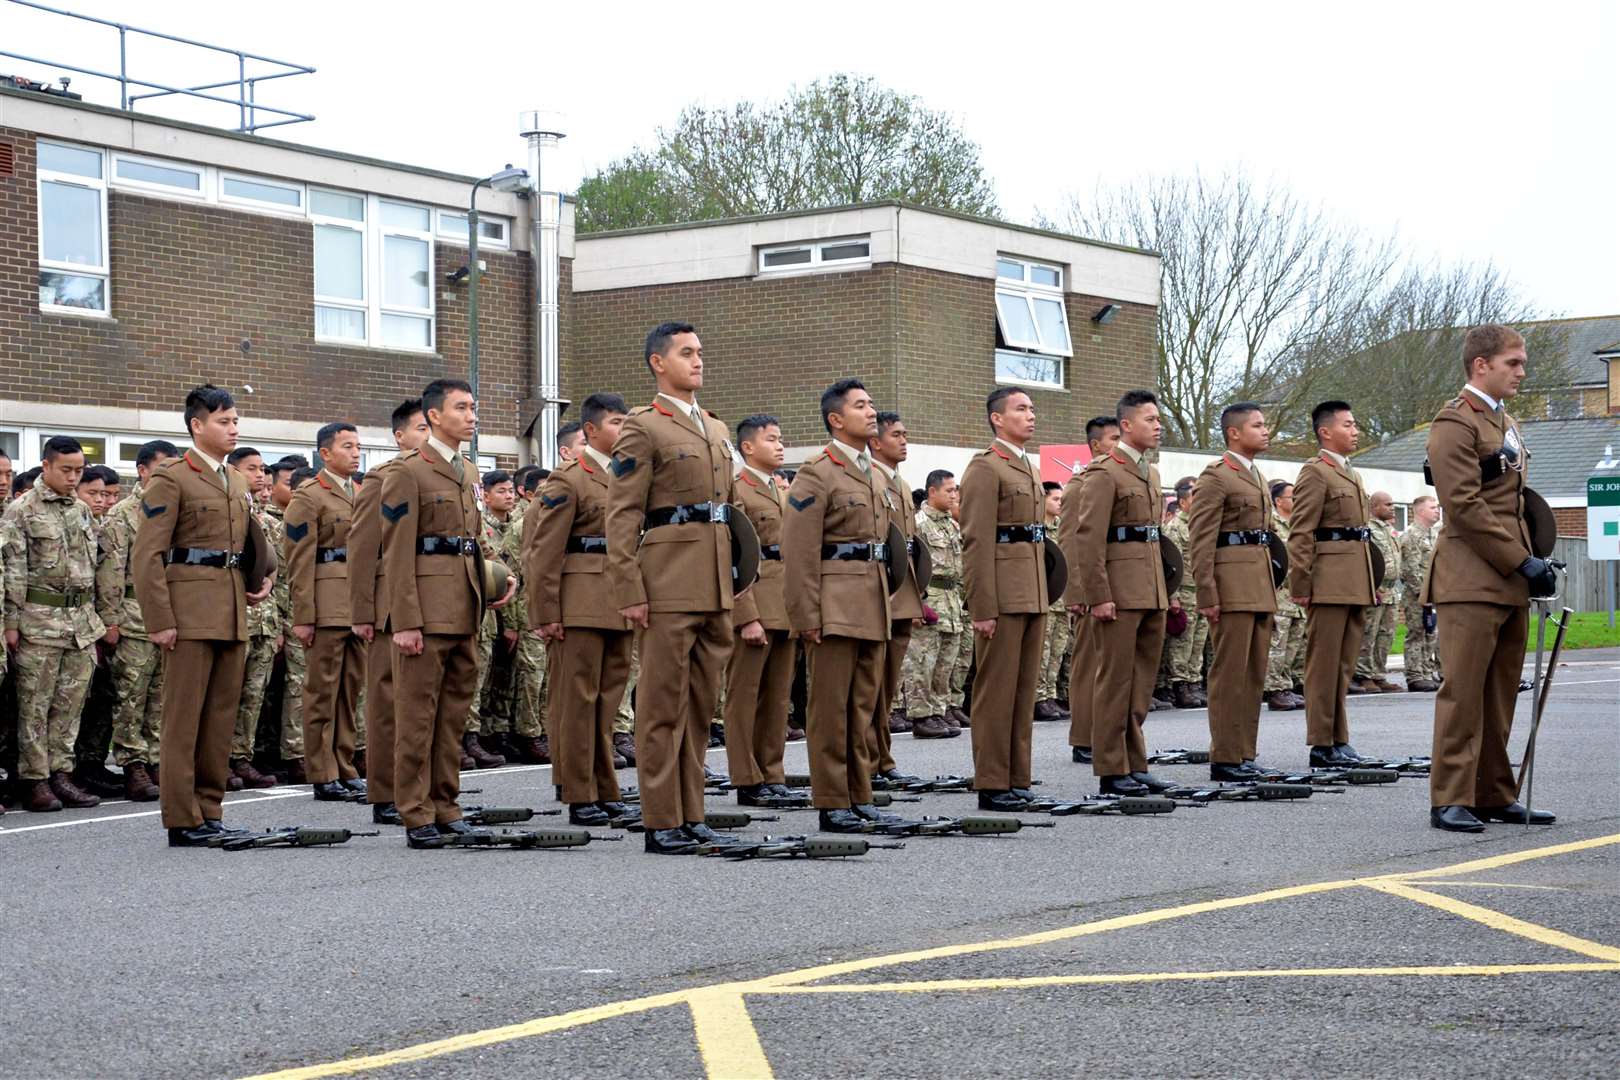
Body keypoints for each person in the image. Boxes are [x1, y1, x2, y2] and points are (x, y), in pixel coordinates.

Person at [605, 322, 742, 855]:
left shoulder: (714, 427)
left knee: (700, 706)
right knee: (662, 705)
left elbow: (731, 517)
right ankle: (662, 819)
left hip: (713, 583)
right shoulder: (644, 426)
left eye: (701, 352)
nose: (698, 361)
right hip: (666, 580)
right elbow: (622, 514)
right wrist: (629, 587)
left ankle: (692, 811)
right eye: (687, 353)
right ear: (658, 363)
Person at [1425, 324, 1555, 832]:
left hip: (1508, 577)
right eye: (1513, 363)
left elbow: (1517, 501)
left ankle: (1493, 792)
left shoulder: (1507, 422)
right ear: (1482, 365)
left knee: (1500, 693)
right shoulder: (1455, 422)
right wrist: (1518, 559)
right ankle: (1450, 798)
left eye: (1522, 363)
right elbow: (1462, 505)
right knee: (1463, 692)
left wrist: (1537, 557)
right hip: (1469, 577)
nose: (1522, 372)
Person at [132, 387, 275, 844]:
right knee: (184, 719)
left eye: (235, 421)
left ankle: (209, 810)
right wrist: (160, 620)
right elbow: (147, 555)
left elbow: (250, 541)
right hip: (189, 611)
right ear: (197, 425)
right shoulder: (173, 477)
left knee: (219, 718)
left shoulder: (234, 480)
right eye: (223, 421)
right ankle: (181, 817)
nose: (233, 428)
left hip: (231, 608)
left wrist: (261, 578)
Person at [381, 379, 515, 848]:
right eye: (462, 408)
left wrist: (494, 578)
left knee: (453, 717)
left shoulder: (469, 470)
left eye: (473, 407)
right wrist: (406, 621)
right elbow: (397, 553)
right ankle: (416, 813)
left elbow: (469, 543)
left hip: (464, 606)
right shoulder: (409, 471)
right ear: (434, 416)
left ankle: (446, 805)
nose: (472, 415)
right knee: (417, 718)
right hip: (426, 612)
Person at [782, 379, 899, 832]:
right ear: (836, 419)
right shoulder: (818, 471)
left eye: (871, 404)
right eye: (860, 406)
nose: (872, 412)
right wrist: (806, 615)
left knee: (863, 707)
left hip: (870, 601)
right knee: (830, 708)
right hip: (833, 603)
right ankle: (832, 801)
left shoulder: (872, 470)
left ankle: (858, 793)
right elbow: (799, 551)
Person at [527, 392, 636, 825]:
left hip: (617, 601)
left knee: (608, 702)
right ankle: (578, 791)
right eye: (615, 423)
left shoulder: (626, 477)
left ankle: (604, 785)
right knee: (577, 702)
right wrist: (546, 613)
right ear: (591, 430)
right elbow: (543, 551)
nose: (623, 430)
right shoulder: (569, 478)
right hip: (579, 602)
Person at [1072, 390, 1171, 796]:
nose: (1158, 425)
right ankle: (1112, 768)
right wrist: (1098, 594)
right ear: (1126, 425)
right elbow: (1088, 538)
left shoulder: (1149, 472)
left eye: (1158, 418)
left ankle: (1135, 761)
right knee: (1114, 681)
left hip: (1150, 588)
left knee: (1140, 682)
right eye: (1150, 419)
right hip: (1119, 591)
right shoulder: (1104, 472)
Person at [2, 436, 108, 811]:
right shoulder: (21, 510)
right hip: (38, 621)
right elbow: (14, 570)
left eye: (78, 470)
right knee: (35, 706)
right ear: (45, 466)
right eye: (66, 470)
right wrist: (12, 623)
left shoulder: (81, 510)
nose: (73, 477)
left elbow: (94, 567)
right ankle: (35, 779)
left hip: (79, 623)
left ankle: (62, 774)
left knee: (69, 705)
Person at [960, 386, 1049, 811]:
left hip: (1031, 592)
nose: (1031, 415)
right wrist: (983, 606)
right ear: (997, 418)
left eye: (1031, 408)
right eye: (1021, 409)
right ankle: (993, 782)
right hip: (1002, 595)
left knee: (1021, 691)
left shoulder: (1026, 466)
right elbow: (976, 541)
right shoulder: (986, 467)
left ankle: (1017, 776)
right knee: (996, 692)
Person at [349, 398, 429, 826]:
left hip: (433, 601)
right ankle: (384, 792)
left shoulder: (449, 473)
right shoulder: (383, 478)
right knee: (386, 702)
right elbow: (362, 548)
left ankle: (424, 790)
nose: (426, 435)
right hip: (388, 607)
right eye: (419, 428)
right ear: (399, 436)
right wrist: (362, 611)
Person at [1187, 403, 1278, 780]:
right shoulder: (1217, 476)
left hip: (1258, 583)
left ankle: (1244, 753)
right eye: (1257, 425)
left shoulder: (1255, 475)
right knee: (1229, 674)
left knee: (1254, 674)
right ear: (1234, 433)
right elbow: (1201, 539)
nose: (1265, 430)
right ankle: (1224, 756)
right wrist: (1207, 592)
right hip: (1230, 586)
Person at [1287, 400, 1376, 768]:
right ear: (1326, 432)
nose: (1355, 431)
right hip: (1328, 581)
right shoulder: (1315, 472)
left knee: (1342, 665)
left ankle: (1340, 738)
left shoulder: (1351, 473)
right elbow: (1301, 532)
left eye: (1355, 425)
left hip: (1354, 578)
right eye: (1348, 425)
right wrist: (1302, 585)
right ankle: (1322, 743)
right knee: (1323, 665)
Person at [287, 423, 367, 800]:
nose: (355, 453)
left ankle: (345, 764)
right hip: (326, 604)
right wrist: (304, 615)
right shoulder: (309, 495)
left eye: (358, 447)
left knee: (349, 692)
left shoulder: (361, 492)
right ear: (325, 454)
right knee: (322, 692)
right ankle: (322, 771)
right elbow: (299, 560)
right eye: (347, 446)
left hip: (357, 604)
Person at [95, 439, 178, 801]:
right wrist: (110, 621)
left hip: (170, 615)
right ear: (143, 471)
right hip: (131, 617)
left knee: (162, 696)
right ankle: (133, 764)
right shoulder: (124, 514)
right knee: (131, 697)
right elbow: (111, 573)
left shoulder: (176, 509)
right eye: (163, 469)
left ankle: (158, 759)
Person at [722, 414, 798, 804]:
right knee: (744, 695)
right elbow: (735, 554)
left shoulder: (783, 491)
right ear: (748, 447)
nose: (780, 445)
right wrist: (745, 613)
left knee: (777, 697)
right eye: (771, 439)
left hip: (784, 604)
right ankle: (746, 777)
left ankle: (773, 773)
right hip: (754, 601)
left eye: (781, 439)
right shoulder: (737, 489)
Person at [865, 411, 924, 784]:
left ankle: (882, 758)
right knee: (870, 685)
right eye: (896, 435)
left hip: (901, 592)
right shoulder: (869, 478)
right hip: (878, 591)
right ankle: (870, 761)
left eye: (905, 434)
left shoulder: (900, 484)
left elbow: (910, 547)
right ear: (876, 441)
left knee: (886, 688)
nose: (904, 441)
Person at [1060, 415, 1121, 764]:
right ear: (1096, 445)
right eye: (1114, 438)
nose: (1119, 444)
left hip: (1113, 585)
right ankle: (1083, 736)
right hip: (1089, 591)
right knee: (1088, 665)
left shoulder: (1115, 478)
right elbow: (1070, 541)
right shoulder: (1082, 483)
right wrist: (1078, 593)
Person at [225, 446, 278, 790]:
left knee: (252, 696)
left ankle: (241, 757)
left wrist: (269, 581)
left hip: (265, 618)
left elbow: (278, 570)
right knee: (226, 694)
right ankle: (220, 759)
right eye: (251, 468)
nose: (259, 475)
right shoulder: (230, 513)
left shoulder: (267, 519)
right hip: (234, 613)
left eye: (262, 469)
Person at [901, 470, 965, 739]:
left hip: (951, 599)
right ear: (932, 492)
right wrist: (913, 604)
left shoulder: (951, 524)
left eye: (954, 490)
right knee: (922, 661)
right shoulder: (919, 524)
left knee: (945, 662)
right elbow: (909, 566)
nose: (954, 495)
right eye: (948, 490)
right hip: (930, 598)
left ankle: (938, 712)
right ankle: (920, 715)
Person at [500, 465, 550, 765]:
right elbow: (512, 580)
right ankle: (529, 735)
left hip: (547, 613)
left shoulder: (554, 525)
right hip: (527, 613)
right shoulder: (521, 529)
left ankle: (544, 731)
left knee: (548, 681)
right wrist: (514, 623)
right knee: (531, 679)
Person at [264, 459, 307, 781]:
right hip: (280, 614)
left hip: (303, 611)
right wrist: (278, 621)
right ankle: (291, 753)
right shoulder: (270, 522)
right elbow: (276, 578)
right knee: (292, 688)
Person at [1351, 491, 1404, 694]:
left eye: (1393, 504)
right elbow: (1366, 560)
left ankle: (1378, 674)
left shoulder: (1389, 530)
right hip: (1377, 588)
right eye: (1387, 504)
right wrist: (1370, 586)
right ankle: (1363, 675)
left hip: (1391, 589)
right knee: (1368, 634)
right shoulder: (1369, 529)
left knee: (1386, 635)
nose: (1392, 507)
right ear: (1374, 507)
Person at [1162, 477, 1207, 709]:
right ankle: (1179, 685)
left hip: (1202, 591)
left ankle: (1193, 681)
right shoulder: (1175, 527)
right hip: (1185, 591)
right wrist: (1173, 596)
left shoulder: (1202, 525)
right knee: (1183, 641)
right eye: (1195, 497)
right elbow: (1171, 565)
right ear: (1182, 502)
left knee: (1198, 641)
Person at [1263, 481, 1307, 711]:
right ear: (1279, 501)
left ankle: (1286, 684)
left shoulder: (1298, 524)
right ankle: (1273, 690)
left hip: (1296, 594)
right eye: (1292, 498)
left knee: (1294, 644)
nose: (1297, 502)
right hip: (1280, 592)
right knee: (1277, 644)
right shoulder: (1273, 526)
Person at [1398, 496, 1444, 692]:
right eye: (1432, 507)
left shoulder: (1433, 534)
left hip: (1434, 592)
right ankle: (1415, 675)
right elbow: (1409, 570)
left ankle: (1427, 671)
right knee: (1417, 632)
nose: (1437, 510)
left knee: (1431, 632)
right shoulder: (1411, 536)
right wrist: (1424, 595)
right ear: (1420, 511)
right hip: (1417, 594)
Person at [1035, 480, 1070, 723]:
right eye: (1055, 499)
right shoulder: (1037, 529)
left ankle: (1050, 695)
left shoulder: (1062, 528)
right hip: (1044, 598)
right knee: (1042, 651)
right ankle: (1038, 699)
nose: (1060, 504)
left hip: (1061, 599)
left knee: (1057, 651)